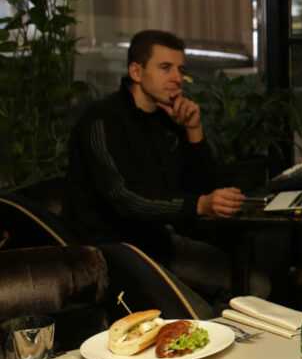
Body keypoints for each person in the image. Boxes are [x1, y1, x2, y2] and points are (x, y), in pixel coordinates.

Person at [66, 30, 246, 295]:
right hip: (110, 255)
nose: (177, 78)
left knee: (253, 278)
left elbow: (204, 187)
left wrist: (193, 130)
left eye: (180, 69)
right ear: (136, 72)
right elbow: (125, 199)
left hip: (157, 244)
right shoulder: (101, 120)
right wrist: (199, 204)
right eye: (165, 68)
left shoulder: (166, 120)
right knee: (247, 285)